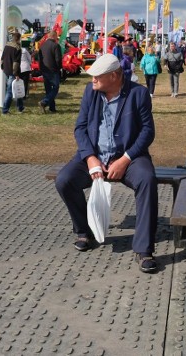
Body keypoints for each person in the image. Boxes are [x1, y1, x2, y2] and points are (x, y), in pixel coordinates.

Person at [54, 54, 158, 274]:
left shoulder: (138, 94)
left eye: (96, 76)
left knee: (147, 180)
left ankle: (144, 249)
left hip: (129, 157)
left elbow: (148, 132)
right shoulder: (90, 93)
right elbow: (80, 128)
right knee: (64, 180)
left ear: (113, 76)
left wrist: (126, 159)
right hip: (94, 156)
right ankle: (84, 231)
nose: (92, 80)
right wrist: (90, 157)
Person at [38, 31, 62, 113]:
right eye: (57, 37)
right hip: (53, 70)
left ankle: (52, 107)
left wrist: (41, 69)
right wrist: (59, 68)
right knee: (55, 88)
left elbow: (40, 59)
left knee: (48, 90)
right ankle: (44, 102)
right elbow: (58, 59)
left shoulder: (42, 46)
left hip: (45, 70)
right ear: (54, 36)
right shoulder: (56, 45)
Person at [0, 32, 24, 114]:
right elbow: (16, 62)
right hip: (12, 71)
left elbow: (2, 58)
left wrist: (2, 67)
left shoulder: (7, 46)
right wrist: (16, 73)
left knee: (17, 87)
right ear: (19, 38)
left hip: (6, 69)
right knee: (10, 91)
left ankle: (20, 107)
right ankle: (5, 110)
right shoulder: (17, 48)